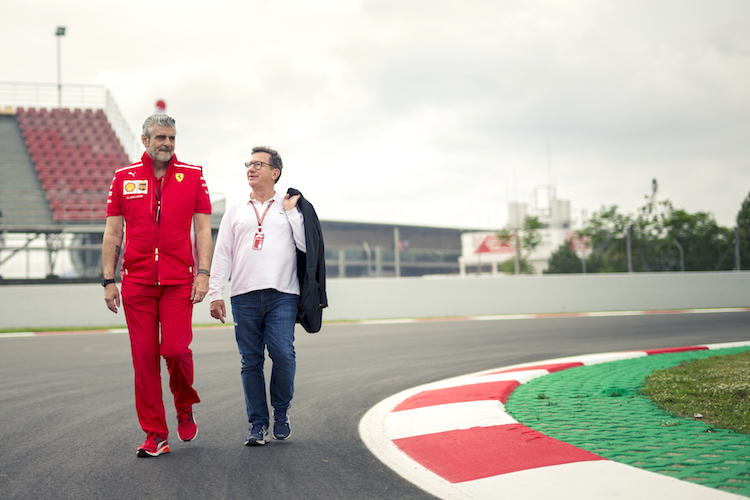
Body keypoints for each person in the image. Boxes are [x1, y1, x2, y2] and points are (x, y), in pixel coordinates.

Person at [101, 114, 213, 457]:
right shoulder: (124, 178)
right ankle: (155, 434)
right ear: (145, 140)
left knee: (176, 350)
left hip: (180, 281)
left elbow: (204, 230)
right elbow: (112, 233)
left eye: (172, 138)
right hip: (137, 283)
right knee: (145, 357)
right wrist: (109, 280)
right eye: (161, 137)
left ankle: (184, 405)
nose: (167, 143)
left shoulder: (193, 176)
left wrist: (204, 273)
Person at [209, 146, 312, 446]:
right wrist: (216, 292)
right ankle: (257, 424)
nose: (250, 169)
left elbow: (307, 248)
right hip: (243, 295)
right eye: (248, 164)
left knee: (282, 352)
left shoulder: (290, 206)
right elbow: (222, 254)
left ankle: (280, 410)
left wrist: (293, 214)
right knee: (250, 362)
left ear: (275, 172)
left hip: (283, 293)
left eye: (258, 164)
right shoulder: (236, 211)